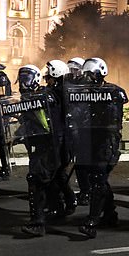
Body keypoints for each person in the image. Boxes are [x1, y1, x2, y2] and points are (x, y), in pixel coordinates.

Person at [70, 58, 128, 239]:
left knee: (98, 180)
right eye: (85, 75)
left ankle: (92, 222)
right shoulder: (82, 94)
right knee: (99, 179)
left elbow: (112, 117)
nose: (87, 79)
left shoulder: (113, 92)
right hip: (89, 140)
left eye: (90, 75)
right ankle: (110, 214)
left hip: (106, 142)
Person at [15, 64, 61, 236]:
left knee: (36, 180)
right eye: (21, 79)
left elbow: (48, 122)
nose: (23, 83)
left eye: (26, 79)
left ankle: (38, 223)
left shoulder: (44, 96)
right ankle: (59, 207)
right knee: (52, 180)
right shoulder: (28, 98)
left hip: (49, 144)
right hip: (39, 144)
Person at [44, 60, 77, 219]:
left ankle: (57, 206)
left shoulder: (60, 93)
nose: (46, 78)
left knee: (53, 173)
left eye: (48, 75)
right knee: (58, 173)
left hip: (61, 139)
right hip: (60, 139)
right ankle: (69, 200)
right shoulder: (60, 91)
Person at [65, 57, 90, 206]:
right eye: (71, 69)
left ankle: (86, 191)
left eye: (75, 69)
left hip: (83, 128)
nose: (73, 72)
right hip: (69, 126)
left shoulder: (87, 84)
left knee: (82, 163)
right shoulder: (66, 82)